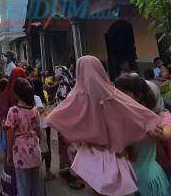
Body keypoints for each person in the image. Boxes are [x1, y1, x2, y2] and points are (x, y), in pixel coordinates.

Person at [47, 56, 161, 196]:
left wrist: (78, 132)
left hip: (91, 156)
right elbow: (135, 111)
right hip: (115, 156)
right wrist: (149, 122)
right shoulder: (113, 94)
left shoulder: (77, 96)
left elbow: (54, 117)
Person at [114, 74, 170, 196]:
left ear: (137, 95)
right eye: (117, 92)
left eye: (123, 92)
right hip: (137, 180)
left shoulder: (147, 120)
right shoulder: (142, 118)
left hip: (146, 182)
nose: (118, 96)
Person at [5, 77, 44, 196]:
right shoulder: (35, 110)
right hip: (34, 150)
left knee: (23, 186)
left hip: (20, 152)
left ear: (16, 94)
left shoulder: (13, 111)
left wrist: (9, 154)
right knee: (36, 184)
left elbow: (10, 136)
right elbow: (39, 131)